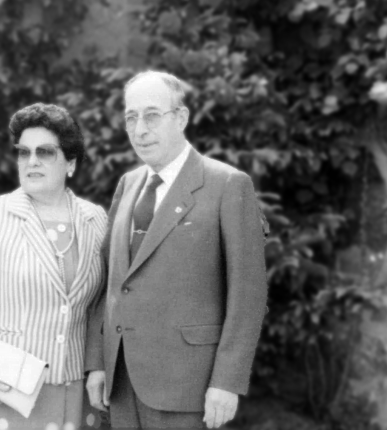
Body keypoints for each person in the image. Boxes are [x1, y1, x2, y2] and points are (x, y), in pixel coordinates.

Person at [85, 71, 268, 429]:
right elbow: (110, 282)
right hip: (120, 382)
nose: (140, 129)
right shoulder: (128, 184)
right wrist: (97, 361)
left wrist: (227, 381)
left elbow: (248, 293)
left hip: (188, 385)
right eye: (131, 117)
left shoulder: (227, 184)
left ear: (181, 118)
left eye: (152, 115)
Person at [0, 103, 108, 430]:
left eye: (45, 152)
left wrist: (98, 366)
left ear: (71, 163)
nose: (31, 161)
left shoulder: (95, 219)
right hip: (4, 391)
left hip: (75, 392)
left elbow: (101, 306)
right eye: (23, 152)